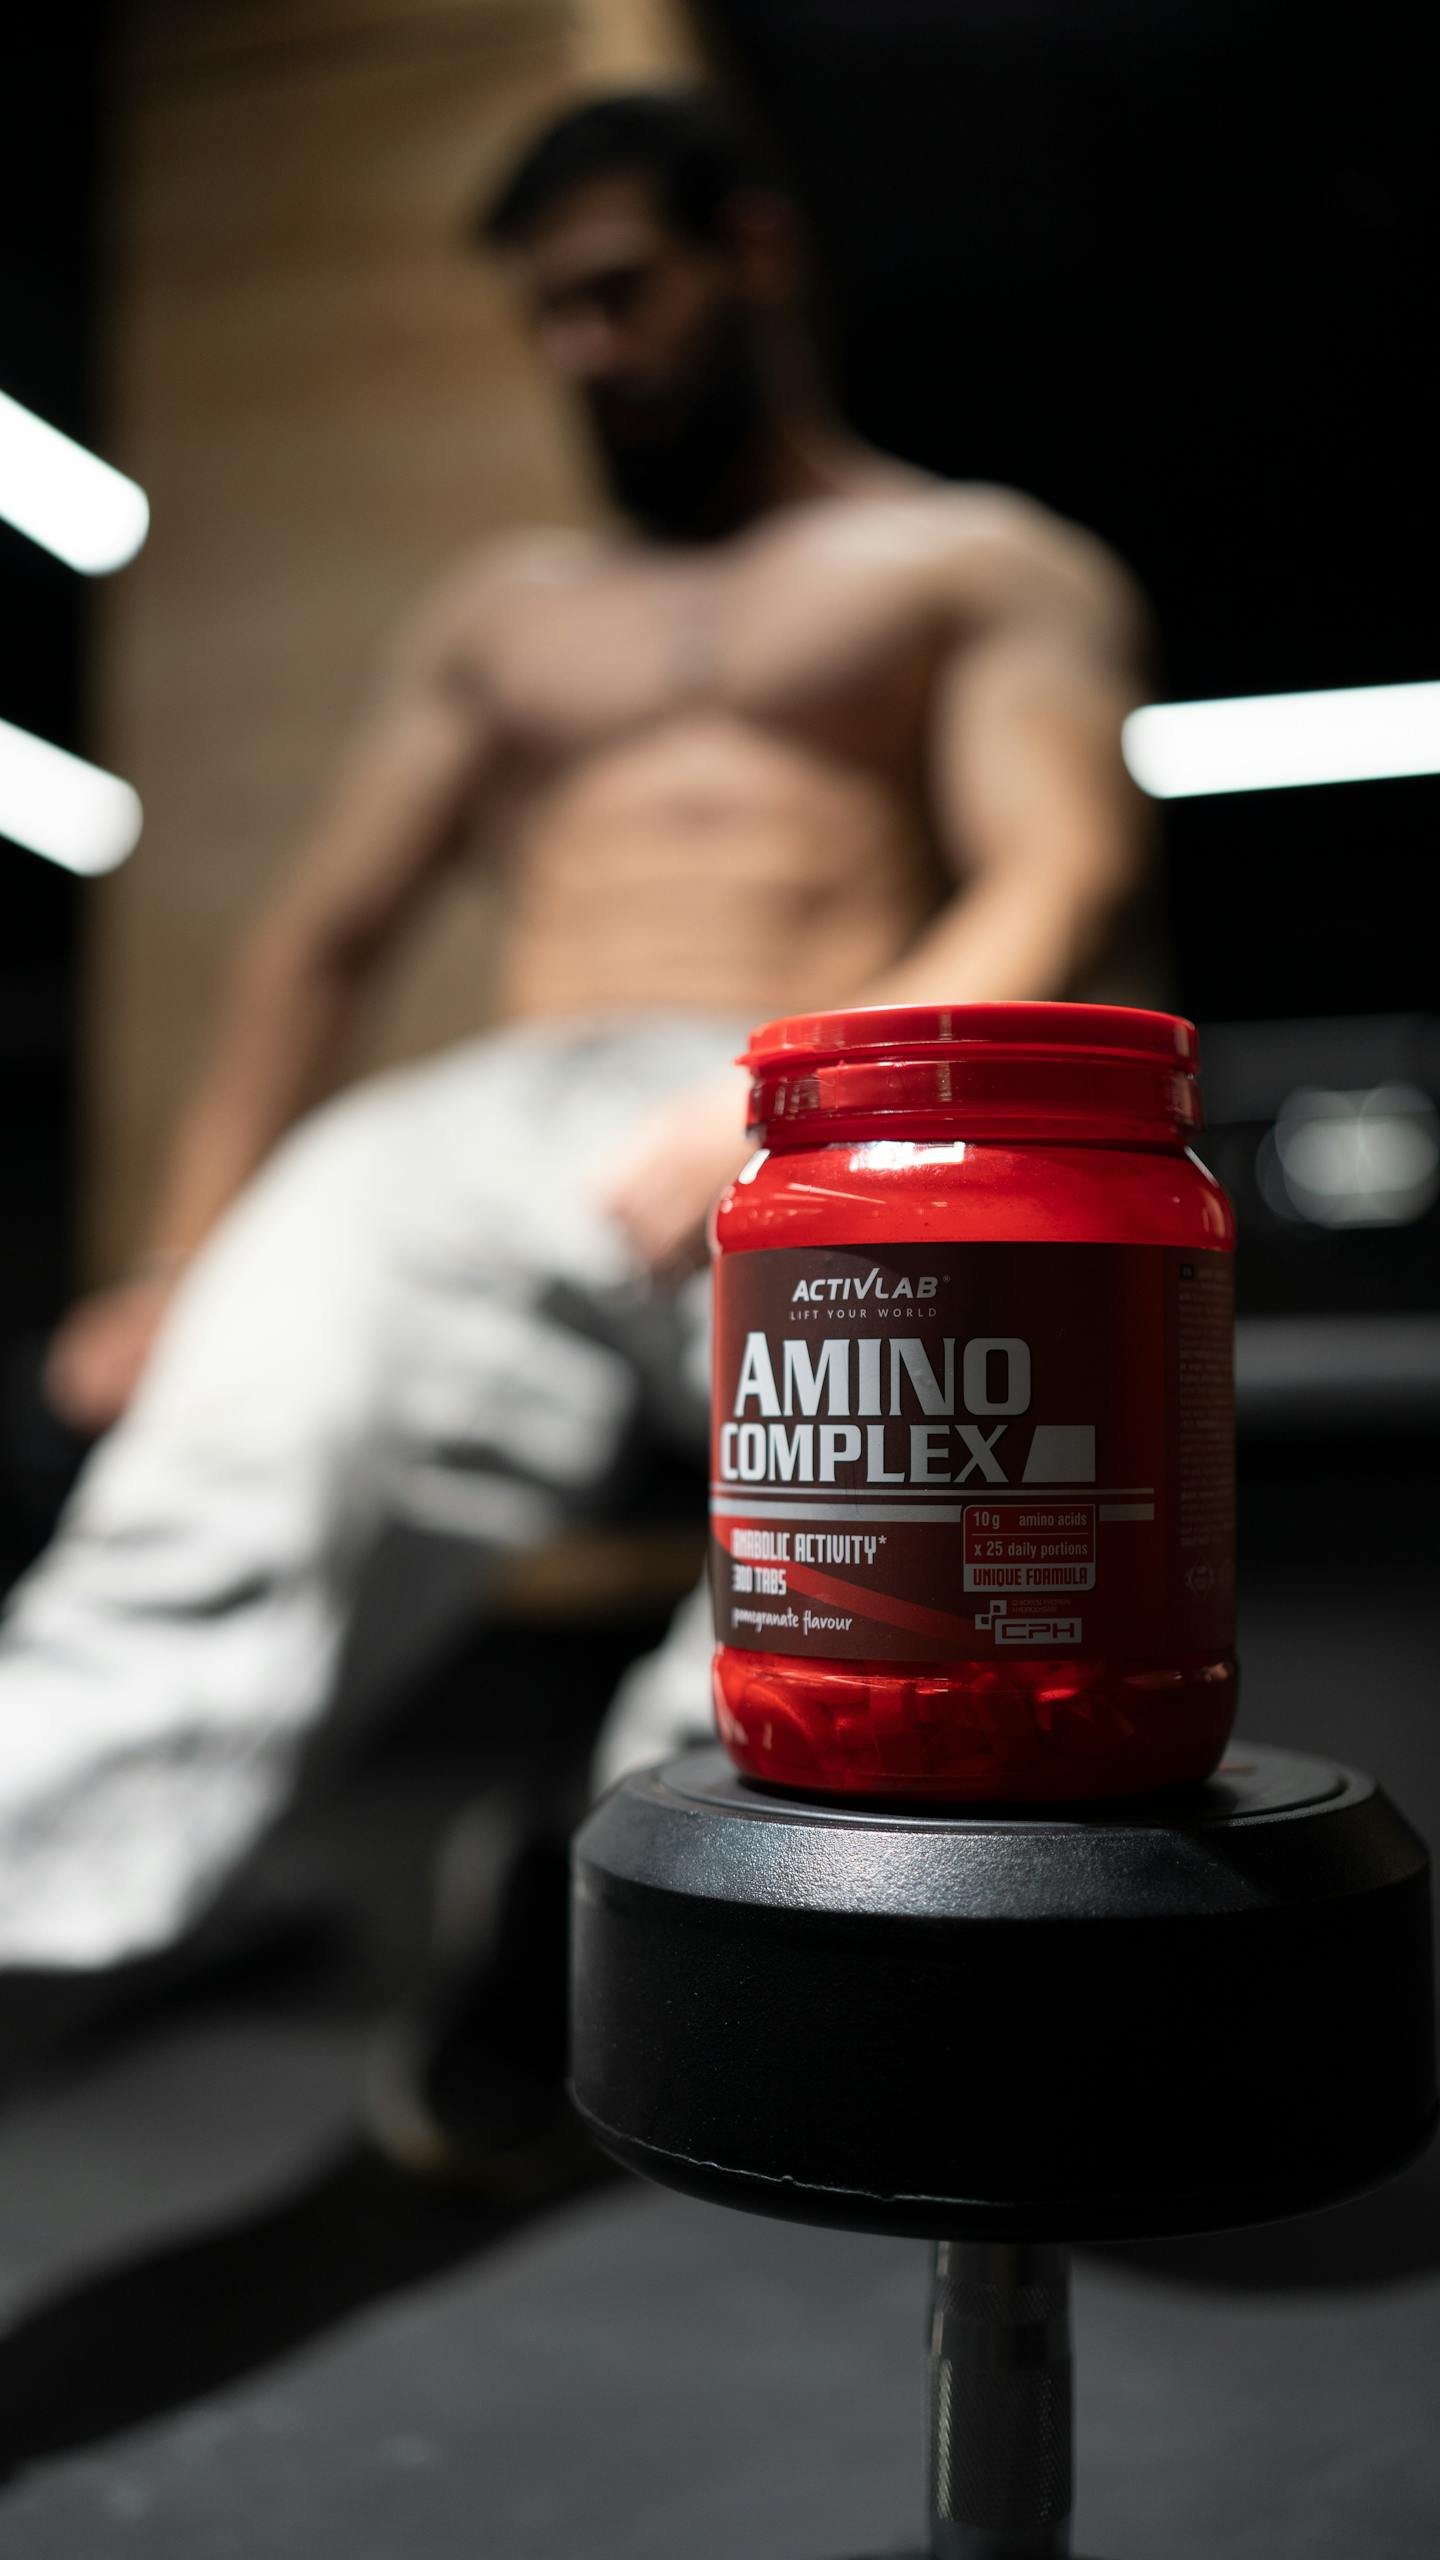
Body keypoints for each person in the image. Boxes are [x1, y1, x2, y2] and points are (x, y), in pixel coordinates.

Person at [1, 89, 1152, 1980]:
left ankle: (626, 1919)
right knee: (194, 1522)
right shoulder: (508, 618)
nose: (582, 350)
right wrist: (175, 1267)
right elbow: (319, 941)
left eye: (620, 292)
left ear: (751, 254)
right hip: (489, 1124)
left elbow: (1062, 872)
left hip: (807, 1099)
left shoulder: (976, 563)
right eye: (550, 313)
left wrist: (788, 1096)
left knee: (880, 1558)